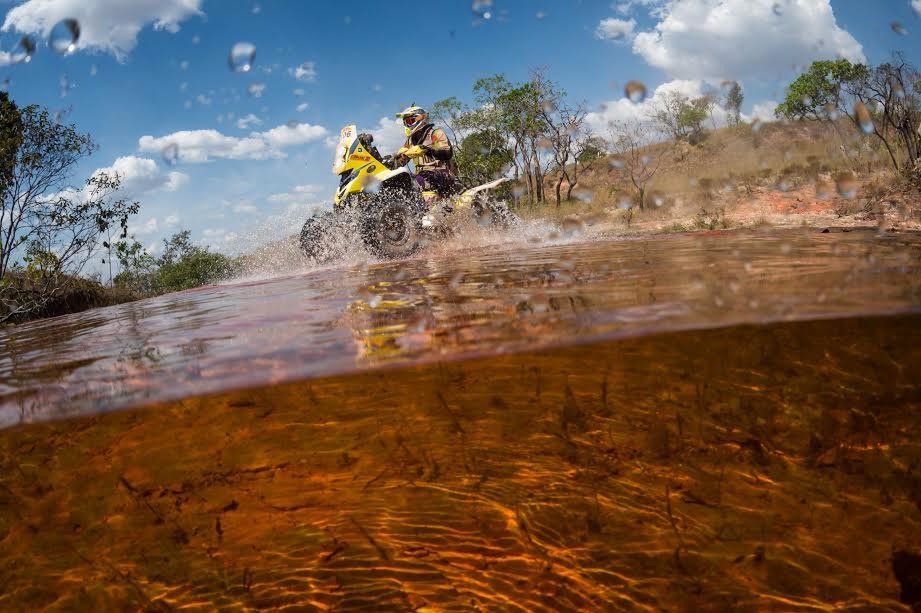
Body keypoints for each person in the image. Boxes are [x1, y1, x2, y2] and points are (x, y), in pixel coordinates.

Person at [393, 104, 458, 199]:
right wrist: (397, 158)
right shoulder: (410, 141)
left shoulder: (435, 134)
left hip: (442, 172)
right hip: (421, 175)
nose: (407, 125)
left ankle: (429, 204)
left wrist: (426, 150)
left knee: (420, 179)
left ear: (420, 119)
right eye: (405, 123)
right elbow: (401, 162)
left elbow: (447, 153)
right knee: (402, 181)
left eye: (410, 121)